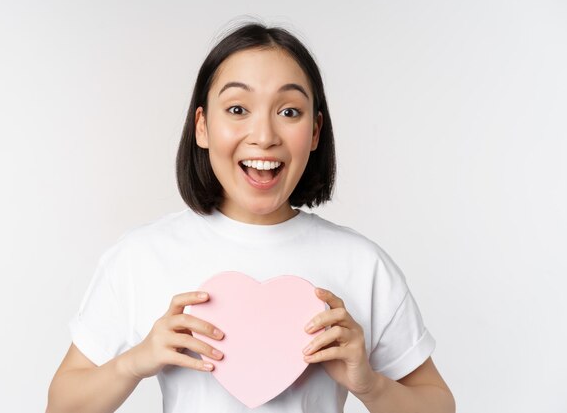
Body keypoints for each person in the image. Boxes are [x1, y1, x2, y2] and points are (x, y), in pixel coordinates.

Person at [46, 21, 455, 413]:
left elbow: (439, 405)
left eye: (289, 112)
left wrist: (369, 383)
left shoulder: (362, 264)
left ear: (315, 132)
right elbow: (60, 406)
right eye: (238, 108)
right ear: (203, 127)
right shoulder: (142, 256)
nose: (264, 135)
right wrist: (136, 361)